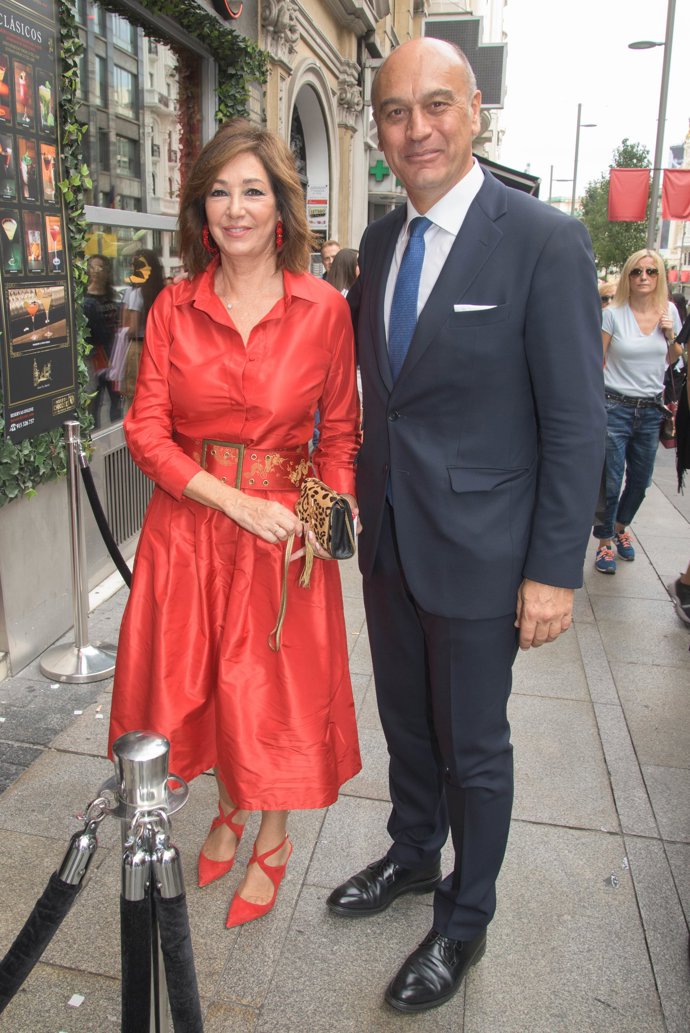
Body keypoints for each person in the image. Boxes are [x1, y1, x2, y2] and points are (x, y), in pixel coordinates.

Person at [327, 38, 606, 1013]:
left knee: (472, 745)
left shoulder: (543, 239)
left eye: (435, 105)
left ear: (473, 110)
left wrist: (554, 570)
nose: (417, 128)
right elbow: (382, 398)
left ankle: (464, 917)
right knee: (407, 722)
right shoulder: (381, 247)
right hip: (393, 539)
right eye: (396, 112)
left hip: (489, 556)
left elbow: (574, 422)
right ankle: (412, 856)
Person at [107, 119, 361, 929]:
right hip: (190, 529)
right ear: (201, 210)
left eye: (253, 190)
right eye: (219, 191)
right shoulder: (173, 309)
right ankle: (226, 808)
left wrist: (325, 515)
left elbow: (343, 435)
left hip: (285, 534)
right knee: (208, 680)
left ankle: (273, 838)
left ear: (280, 205)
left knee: (274, 693)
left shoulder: (323, 309)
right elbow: (147, 432)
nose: (236, 208)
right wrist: (230, 501)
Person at [593, 250, 682, 574]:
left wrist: (670, 334)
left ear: (660, 277)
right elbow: (595, 361)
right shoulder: (613, 314)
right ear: (628, 276)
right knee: (611, 481)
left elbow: (674, 360)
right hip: (614, 405)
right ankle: (604, 542)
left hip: (650, 410)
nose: (644, 277)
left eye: (651, 271)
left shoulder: (668, 311)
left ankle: (620, 526)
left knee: (641, 481)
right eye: (636, 272)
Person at [121, 248, 165, 401]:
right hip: (160, 348)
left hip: (139, 348)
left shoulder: (137, 294)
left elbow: (132, 329)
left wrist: (121, 333)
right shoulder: (165, 291)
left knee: (135, 395)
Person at [83, 255, 122, 427]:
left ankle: (115, 440)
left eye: (100, 268)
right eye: (93, 267)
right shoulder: (85, 298)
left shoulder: (112, 296)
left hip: (114, 353)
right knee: (95, 398)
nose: (96, 272)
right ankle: (95, 437)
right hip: (96, 356)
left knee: (115, 398)